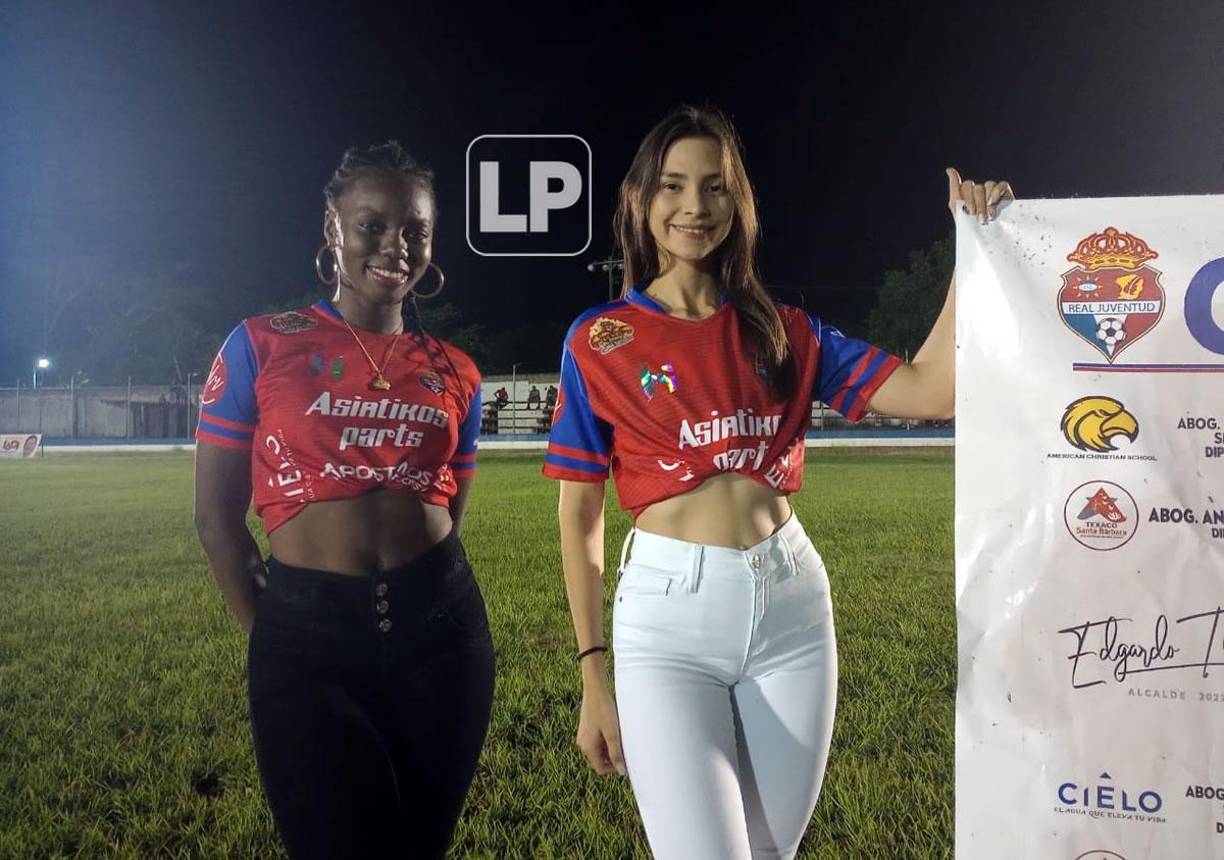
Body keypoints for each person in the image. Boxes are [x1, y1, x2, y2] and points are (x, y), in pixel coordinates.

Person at [544, 105, 1008, 859]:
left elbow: (932, 392)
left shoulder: (786, 330)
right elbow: (579, 514)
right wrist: (594, 674)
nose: (695, 207)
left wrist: (972, 250)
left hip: (791, 608)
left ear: (738, 202)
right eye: (673, 186)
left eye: (715, 187)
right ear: (642, 199)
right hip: (667, 625)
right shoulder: (599, 341)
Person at [193, 142, 494, 860]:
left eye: (416, 230)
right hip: (305, 635)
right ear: (333, 228)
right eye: (372, 224)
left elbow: (452, 508)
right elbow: (216, 520)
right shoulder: (260, 345)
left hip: (442, 635)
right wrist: (280, 635)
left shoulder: (457, 371)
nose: (396, 245)